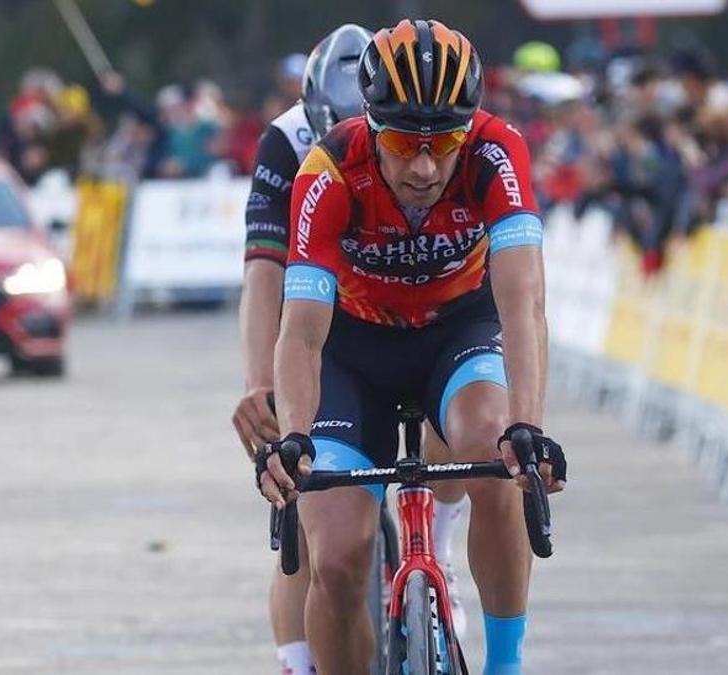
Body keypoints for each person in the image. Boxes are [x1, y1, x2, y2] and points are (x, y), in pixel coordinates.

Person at [255, 19, 567, 675]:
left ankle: (505, 665)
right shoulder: (330, 169)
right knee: (337, 555)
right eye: (402, 143)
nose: (425, 167)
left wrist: (529, 424)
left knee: (496, 448)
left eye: (443, 142)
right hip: (352, 351)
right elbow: (303, 330)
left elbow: (522, 302)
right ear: (370, 124)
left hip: (457, 334)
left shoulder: (496, 151)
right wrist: (292, 434)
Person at [233, 23, 470, 674]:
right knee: (308, 524)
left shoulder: (415, 137)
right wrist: (263, 387)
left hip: (408, 306)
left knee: (448, 383)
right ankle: (297, 660)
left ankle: (439, 544)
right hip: (322, 316)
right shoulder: (287, 142)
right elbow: (264, 273)